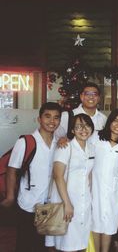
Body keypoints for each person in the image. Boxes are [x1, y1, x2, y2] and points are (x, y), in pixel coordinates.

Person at [1, 102, 62, 252]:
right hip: (28, 203)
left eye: (56, 118)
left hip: (49, 204)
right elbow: (11, 170)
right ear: (39, 119)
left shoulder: (59, 143)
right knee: (26, 244)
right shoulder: (26, 142)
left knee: (45, 245)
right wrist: (9, 197)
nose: (52, 121)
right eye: (47, 116)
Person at [45, 113, 95, 251]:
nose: (83, 129)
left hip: (84, 201)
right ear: (72, 130)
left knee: (81, 240)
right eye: (78, 126)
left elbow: (88, 174)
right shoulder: (65, 147)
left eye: (87, 126)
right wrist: (67, 203)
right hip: (66, 199)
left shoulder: (91, 148)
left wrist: (90, 197)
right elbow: (58, 176)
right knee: (67, 241)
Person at [91, 108, 118, 252]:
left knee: (109, 225)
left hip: (114, 190)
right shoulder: (96, 137)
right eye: (116, 121)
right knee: (95, 223)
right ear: (110, 121)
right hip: (94, 188)